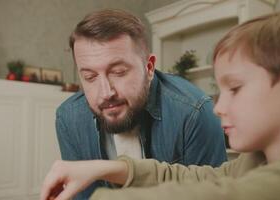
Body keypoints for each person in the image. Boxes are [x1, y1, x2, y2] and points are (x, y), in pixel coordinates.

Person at [41, 10, 280, 200]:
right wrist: (102, 168)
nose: (219, 107)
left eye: (234, 88)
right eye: (90, 76)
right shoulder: (255, 160)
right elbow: (189, 176)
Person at [54, 9, 227, 199]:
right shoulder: (68, 117)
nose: (105, 93)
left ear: (149, 67)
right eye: (90, 77)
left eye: (119, 72)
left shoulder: (195, 113)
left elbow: (212, 194)